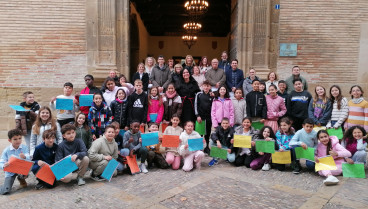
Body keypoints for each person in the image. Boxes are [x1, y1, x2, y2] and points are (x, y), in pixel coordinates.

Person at [0, 129, 30, 195]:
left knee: (25, 173)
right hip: (10, 171)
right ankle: (6, 186)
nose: (18, 141)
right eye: (15, 139)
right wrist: (4, 165)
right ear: (10, 140)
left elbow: (28, 158)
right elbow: (1, 161)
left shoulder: (24, 148)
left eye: (20, 138)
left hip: (21, 169)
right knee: (5, 191)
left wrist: (25, 157)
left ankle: (22, 180)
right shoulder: (6, 150)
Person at [195, 80, 214, 153]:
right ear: (202, 86)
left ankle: (207, 147)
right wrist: (197, 115)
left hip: (209, 117)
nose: (206, 87)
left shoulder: (212, 95)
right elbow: (196, 105)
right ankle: (199, 147)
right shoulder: (199, 94)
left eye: (207, 86)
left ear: (210, 87)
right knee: (200, 133)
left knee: (208, 132)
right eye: (204, 86)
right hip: (200, 117)